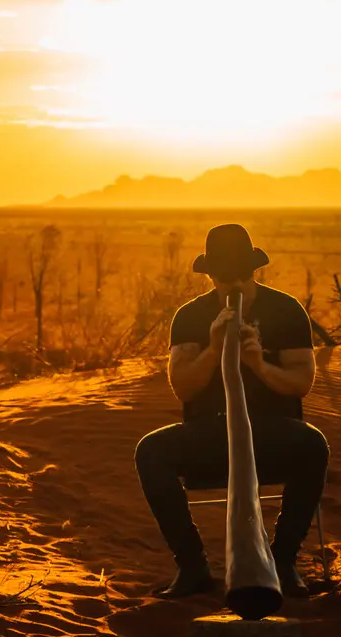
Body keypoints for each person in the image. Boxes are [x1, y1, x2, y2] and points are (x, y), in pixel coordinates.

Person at [134, 223, 329, 599]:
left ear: (254, 271)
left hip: (272, 433)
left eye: (241, 274)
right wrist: (213, 348)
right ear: (210, 277)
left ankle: (283, 561)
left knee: (313, 445)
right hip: (210, 434)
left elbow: (301, 383)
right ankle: (192, 565)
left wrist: (258, 364)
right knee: (150, 451)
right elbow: (183, 386)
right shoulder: (191, 316)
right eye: (224, 276)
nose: (234, 283)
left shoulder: (285, 310)